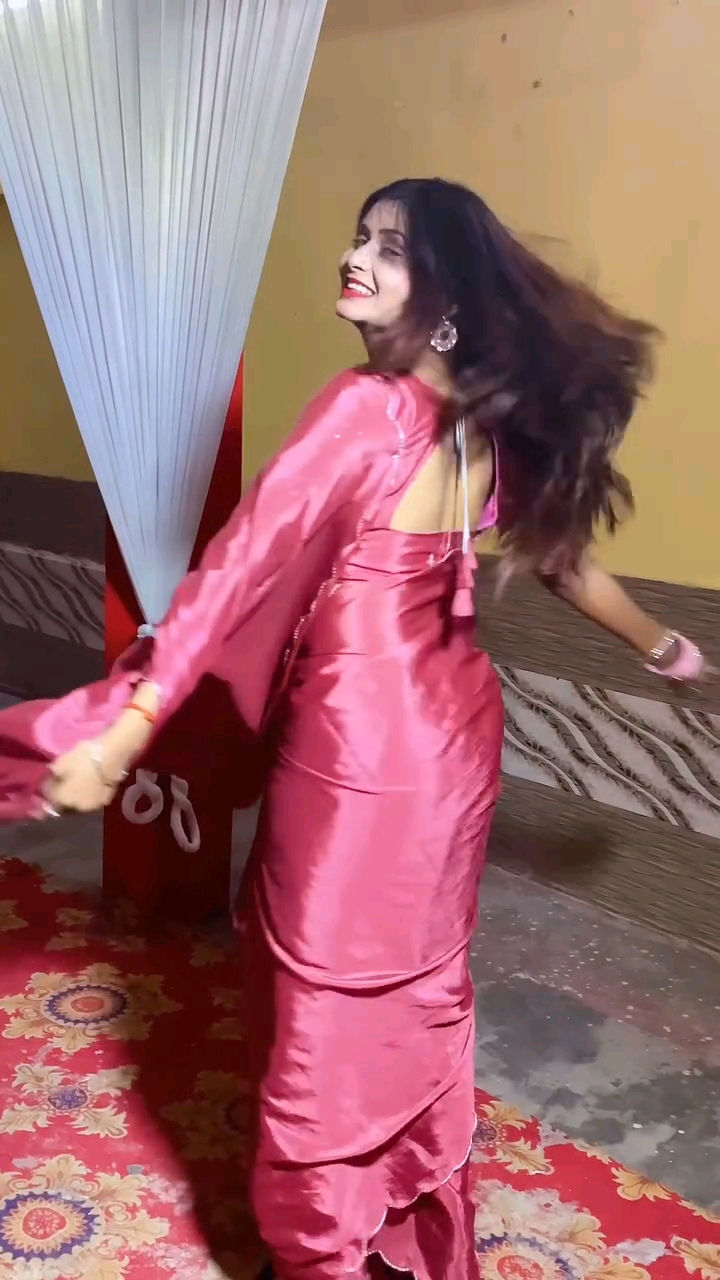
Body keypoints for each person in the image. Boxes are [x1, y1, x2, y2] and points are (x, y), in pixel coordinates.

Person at [0, 178, 707, 1280]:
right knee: (410, 982)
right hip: (455, 733)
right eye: (360, 235)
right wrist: (669, 650)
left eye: (390, 247)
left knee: (321, 988)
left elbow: (235, 570)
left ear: (450, 301)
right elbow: (567, 564)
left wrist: (128, 724)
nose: (356, 256)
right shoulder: (482, 426)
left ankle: (323, 1244)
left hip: (363, 743)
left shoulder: (365, 408)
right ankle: (394, 1205)